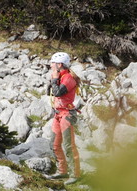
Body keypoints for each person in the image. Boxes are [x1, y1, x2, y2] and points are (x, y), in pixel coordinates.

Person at [46, 52, 81, 185]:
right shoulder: (60, 76)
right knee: (54, 145)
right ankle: (62, 171)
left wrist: (54, 79)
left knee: (68, 146)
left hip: (67, 114)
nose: (51, 65)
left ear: (59, 64)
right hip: (58, 114)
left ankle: (75, 174)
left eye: (53, 63)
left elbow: (57, 92)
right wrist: (54, 78)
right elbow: (49, 91)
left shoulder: (68, 78)